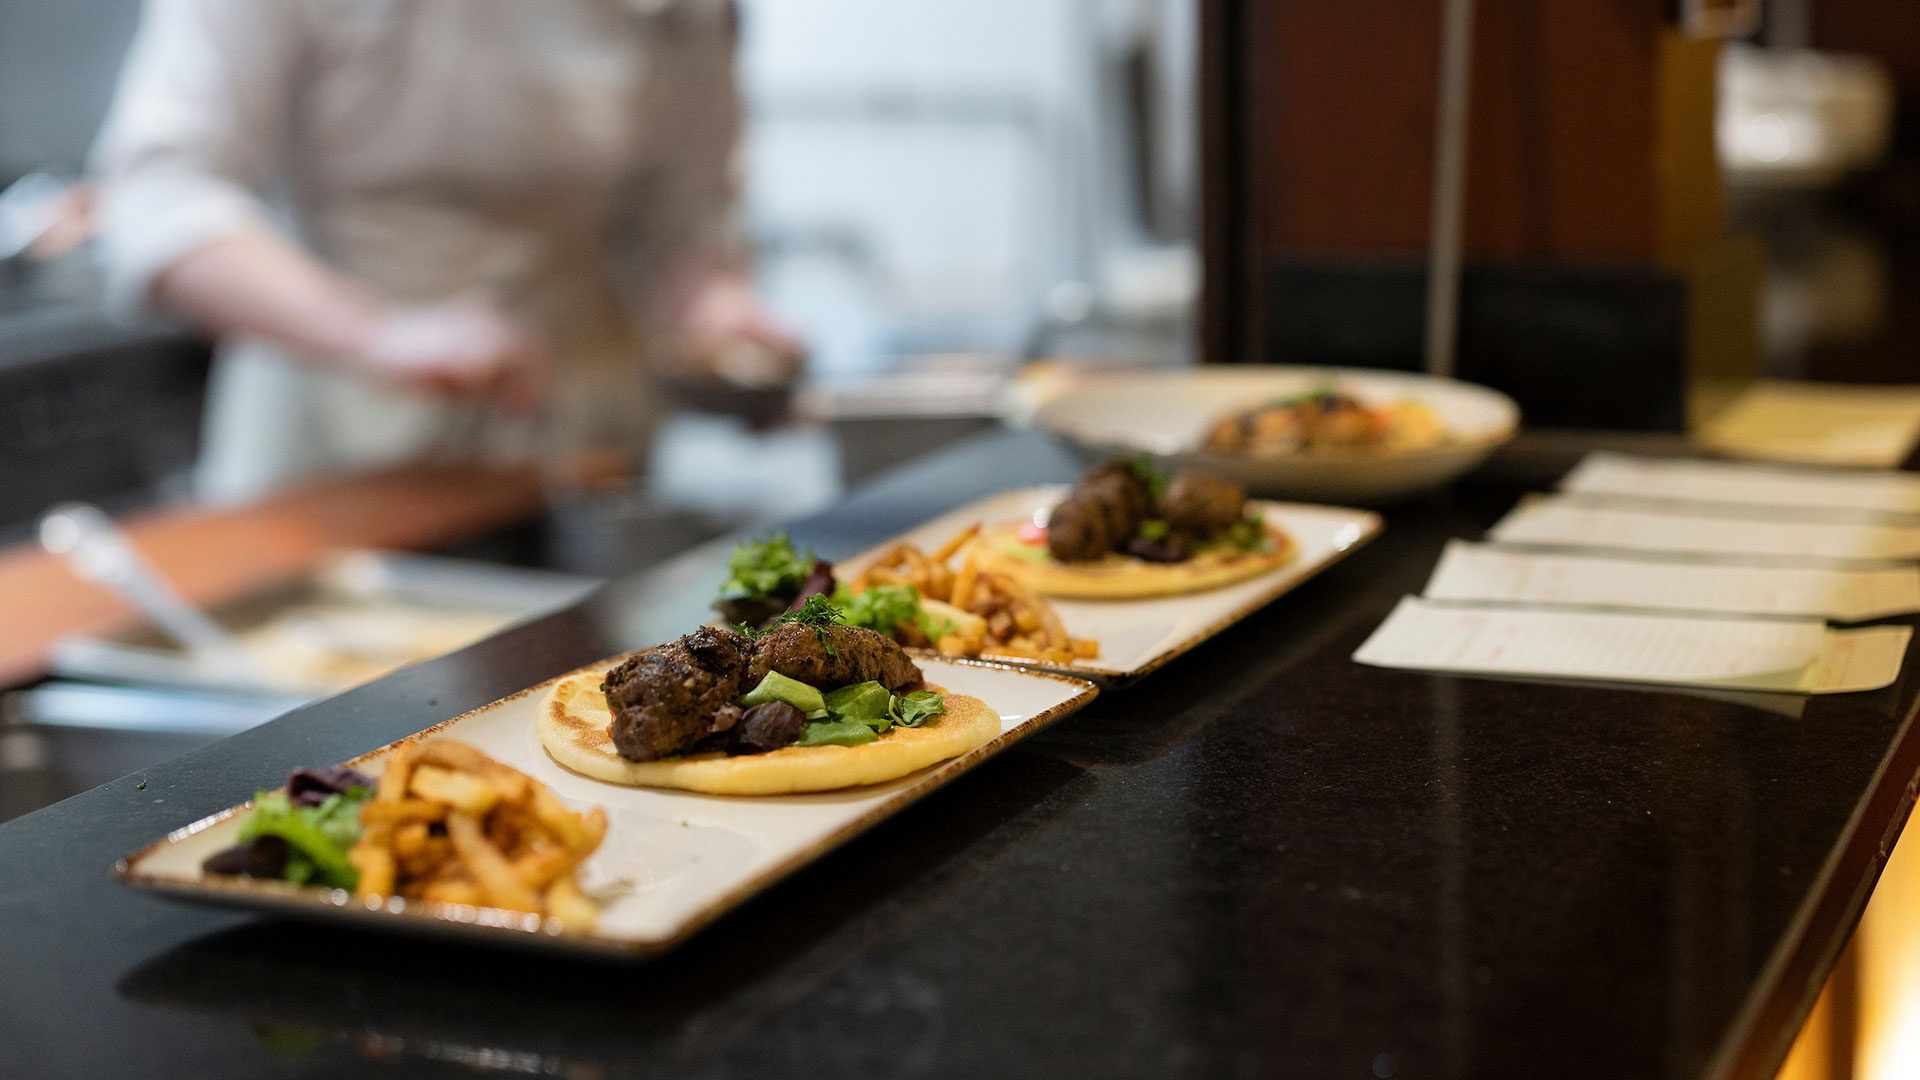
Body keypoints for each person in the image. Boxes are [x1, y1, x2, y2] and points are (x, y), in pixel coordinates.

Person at [91, 0, 803, 504]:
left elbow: (686, 216)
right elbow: (159, 198)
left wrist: (718, 313)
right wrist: (378, 333)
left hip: (585, 444)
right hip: (339, 438)